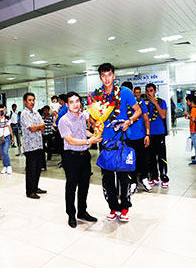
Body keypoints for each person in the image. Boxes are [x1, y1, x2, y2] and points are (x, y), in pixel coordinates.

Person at [92, 63, 141, 222]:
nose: (107, 79)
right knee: (107, 177)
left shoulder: (125, 92)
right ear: (100, 77)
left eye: (109, 75)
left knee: (123, 176)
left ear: (114, 75)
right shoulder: (96, 95)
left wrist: (129, 121)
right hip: (105, 142)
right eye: (103, 75)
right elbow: (92, 117)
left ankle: (125, 207)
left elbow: (137, 111)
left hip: (122, 140)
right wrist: (94, 124)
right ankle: (113, 207)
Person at [58, 92, 101, 228]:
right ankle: (71, 213)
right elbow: (70, 139)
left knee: (84, 185)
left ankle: (82, 212)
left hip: (84, 155)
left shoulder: (82, 116)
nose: (75, 104)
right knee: (71, 186)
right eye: (72, 102)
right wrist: (89, 140)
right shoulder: (64, 120)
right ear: (67, 104)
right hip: (71, 157)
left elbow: (84, 132)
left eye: (77, 101)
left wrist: (95, 134)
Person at [121, 83, 151, 193]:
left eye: (130, 91)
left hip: (141, 136)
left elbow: (146, 119)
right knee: (130, 161)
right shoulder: (121, 104)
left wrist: (147, 134)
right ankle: (133, 181)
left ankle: (144, 178)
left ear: (132, 91)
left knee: (144, 160)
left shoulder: (141, 103)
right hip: (127, 137)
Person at [21, 92, 47, 199]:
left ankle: (35, 187)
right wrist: (39, 126)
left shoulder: (36, 113)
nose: (32, 102)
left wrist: (38, 126)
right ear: (25, 102)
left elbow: (43, 127)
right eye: (29, 100)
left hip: (38, 144)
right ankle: (30, 191)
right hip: (30, 146)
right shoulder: (24, 114)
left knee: (37, 168)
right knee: (31, 169)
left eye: (33, 100)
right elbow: (31, 128)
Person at [145, 83, 169, 188]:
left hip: (159, 134)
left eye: (151, 90)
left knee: (161, 156)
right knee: (150, 157)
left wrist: (155, 103)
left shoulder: (161, 102)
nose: (149, 93)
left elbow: (163, 115)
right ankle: (154, 177)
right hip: (149, 135)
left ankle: (164, 176)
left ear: (155, 91)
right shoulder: (144, 104)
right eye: (147, 91)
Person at [185, 94, 196, 166]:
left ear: (191, 101)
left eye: (187, 101)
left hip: (195, 130)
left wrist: (187, 115)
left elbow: (193, 119)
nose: (186, 102)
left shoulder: (194, 109)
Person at [0, 106, 14, 174]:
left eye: (4, 109)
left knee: (5, 151)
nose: (3, 111)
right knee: (2, 153)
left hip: (6, 136)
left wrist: (12, 137)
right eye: (2, 109)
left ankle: (9, 165)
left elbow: (10, 128)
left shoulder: (7, 119)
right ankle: (4, 166)